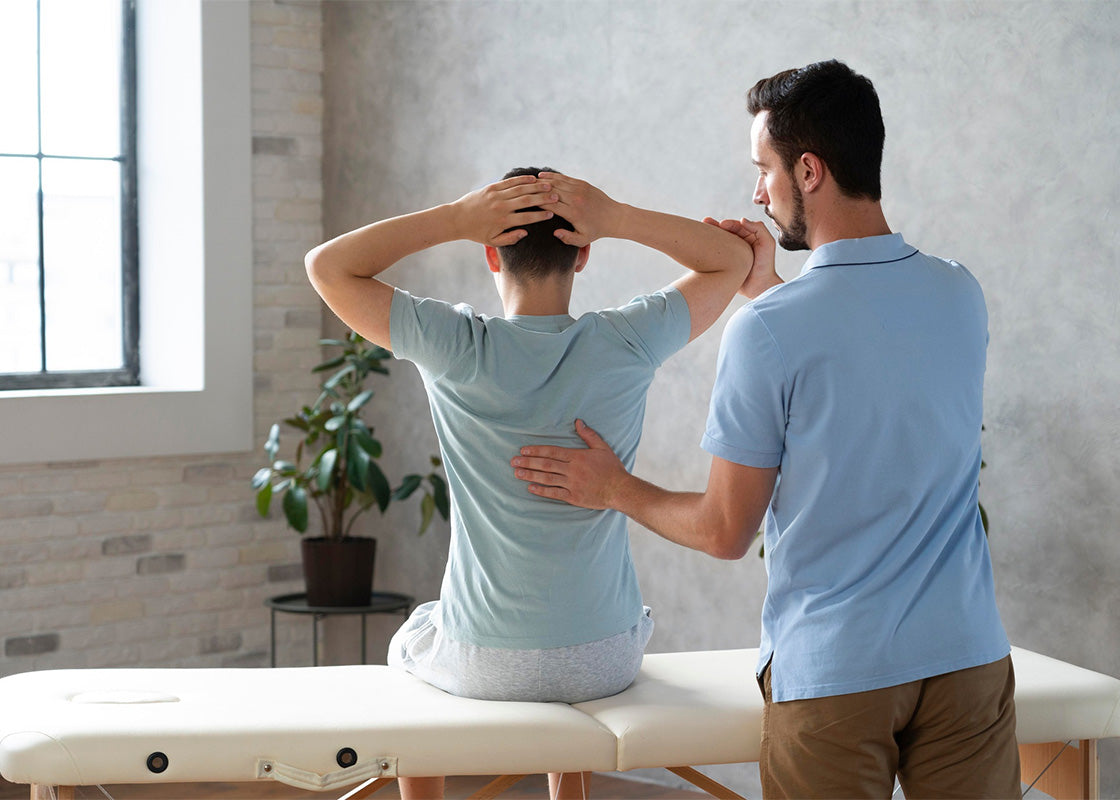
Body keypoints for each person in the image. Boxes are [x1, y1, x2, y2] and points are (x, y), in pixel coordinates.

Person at [512, 62, 1021, 799]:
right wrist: (769, 291)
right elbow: (866, 363)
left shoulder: (770, 331)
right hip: (967, 657)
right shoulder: (958, 292)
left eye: (764, 170)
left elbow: (724, 531)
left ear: (809, 171)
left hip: (839, 674)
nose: (758, 193)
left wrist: (614, 488)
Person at [304, 167, 753, 799]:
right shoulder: (626, 340)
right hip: (604, 658)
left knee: (416, 640)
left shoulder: (454, 346)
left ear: (490, 253)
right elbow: (733, 260)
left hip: (485, 662)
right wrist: (617, 215)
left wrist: (456, 218)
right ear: (583, 254)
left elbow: (327, 268)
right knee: (554, 639)